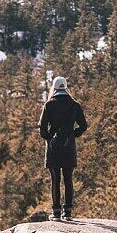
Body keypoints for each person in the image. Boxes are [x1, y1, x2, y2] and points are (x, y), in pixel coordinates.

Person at [38, 76, 88, 220]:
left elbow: (42, 129)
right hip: (69, 147)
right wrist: (72, 135)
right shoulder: (74, 105)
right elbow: (83, 126)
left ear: (54, 87)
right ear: (65, 87)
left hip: (53, 149)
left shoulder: (49, 104)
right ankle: (68, 212)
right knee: (68, 179)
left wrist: (50, 138)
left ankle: (56, 213)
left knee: (55, 180)